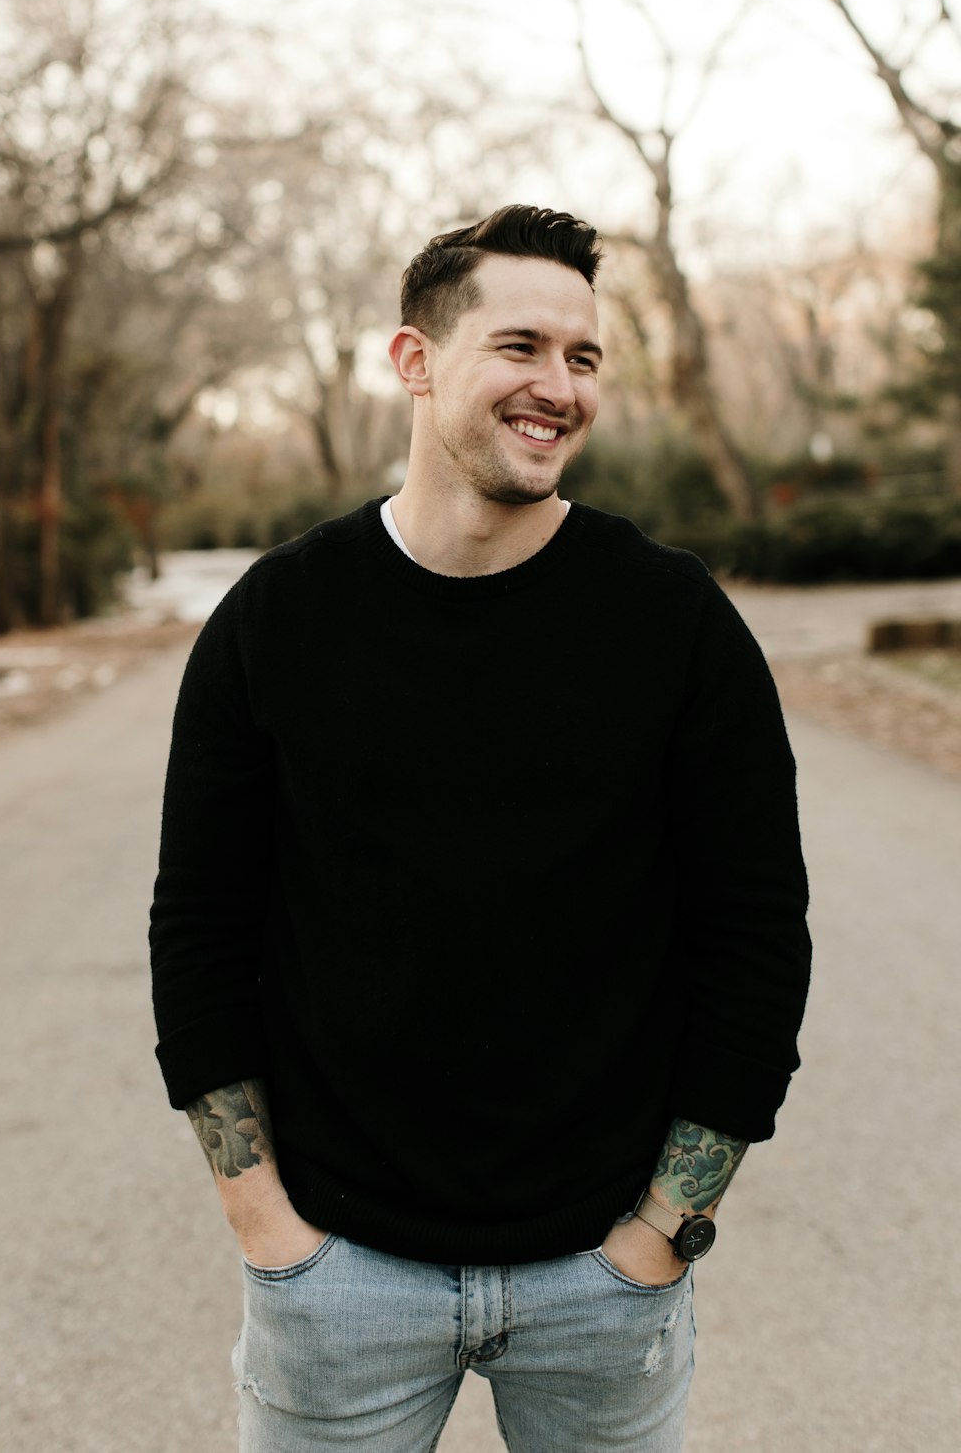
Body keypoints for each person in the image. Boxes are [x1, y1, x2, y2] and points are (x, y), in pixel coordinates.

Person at [150, 204, 812, 1452]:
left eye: (582, 357)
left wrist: (660, 1235)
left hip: (602, 1284)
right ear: (415, 361)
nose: (556, 387)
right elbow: (199, 931)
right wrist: (267, 1231)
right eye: (520, 347)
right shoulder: (275, 620)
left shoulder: (674, 626)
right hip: (338, 1278)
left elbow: (756, 944)